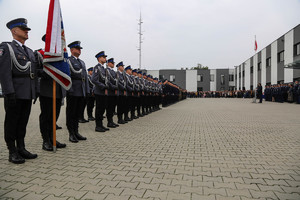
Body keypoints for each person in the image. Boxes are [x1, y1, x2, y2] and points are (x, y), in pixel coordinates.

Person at [0, 18, 38, 164]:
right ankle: (12, 151)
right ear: (14, 31)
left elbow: (33, 73)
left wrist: (35, 91)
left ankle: (21, 148)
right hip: (15, 92)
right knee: (12, 123)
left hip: (27, 93)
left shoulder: (29, 51)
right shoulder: (6, 47)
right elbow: (4, 72)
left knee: (23, 122)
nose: (27, 32)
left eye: (27, 30)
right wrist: (9, 92)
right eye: (24, 30)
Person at [35, 34, 66, 151]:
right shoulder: (39, 54)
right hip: (46, 90)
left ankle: (53, 138)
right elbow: (36, 70)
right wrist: (48, 72)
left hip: (57, 90)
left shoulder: (60, 56)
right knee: (46, 116)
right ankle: (46, 141)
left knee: (54, 117)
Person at [66, 41, 88, 142]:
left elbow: (85, 78)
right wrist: (69, 89)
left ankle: (76, 131)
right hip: (73, 90)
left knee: (78, 113)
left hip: (81, 91)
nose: (79, 50)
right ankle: (71, 133)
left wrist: (87, 91)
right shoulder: (68, 60)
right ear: (72, 50)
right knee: (71, 113)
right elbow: (68, 76)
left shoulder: (82, 62)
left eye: (80, 49)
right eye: (77, 48)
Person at [92, 51, 110, 132]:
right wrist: (103, 86)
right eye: (104, 57)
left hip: (103, 92)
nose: (105, 58)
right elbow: (94, 80)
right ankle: (98, 126)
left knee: (102, 109)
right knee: (99, 109)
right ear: (99, 58)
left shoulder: (103, 68)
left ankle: (101, 125)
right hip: (99, 91)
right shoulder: (96, 67)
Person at [106, 58, 119, 128]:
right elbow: (107, 81)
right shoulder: (107, 71)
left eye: (113, 63)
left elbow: (116, 81)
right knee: (109, 107)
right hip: (109, 91)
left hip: (114, 92)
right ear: (108, 63)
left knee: (112, 108)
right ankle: (109, 122)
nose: (113, 64)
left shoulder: (114, 72)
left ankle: (111, 121)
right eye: (112, 63)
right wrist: (114, 87)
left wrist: (116, 87)